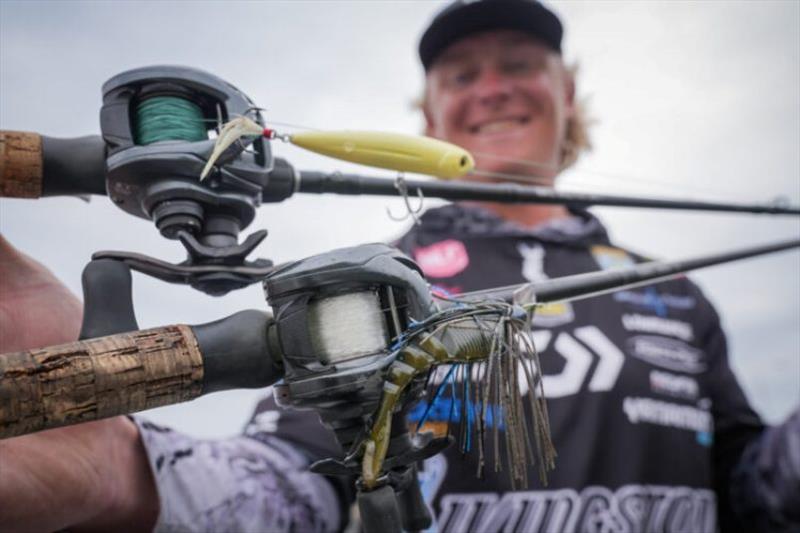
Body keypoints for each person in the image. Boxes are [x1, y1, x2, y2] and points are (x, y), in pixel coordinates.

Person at [1, 1, 797, 532]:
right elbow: (289, 480)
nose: (491, 89)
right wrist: (133, 472)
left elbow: (757, 491)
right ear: (429, 115)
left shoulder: (673, 290)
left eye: (519, 64)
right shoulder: (375, 279)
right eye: (461, 75)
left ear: (567, 94)